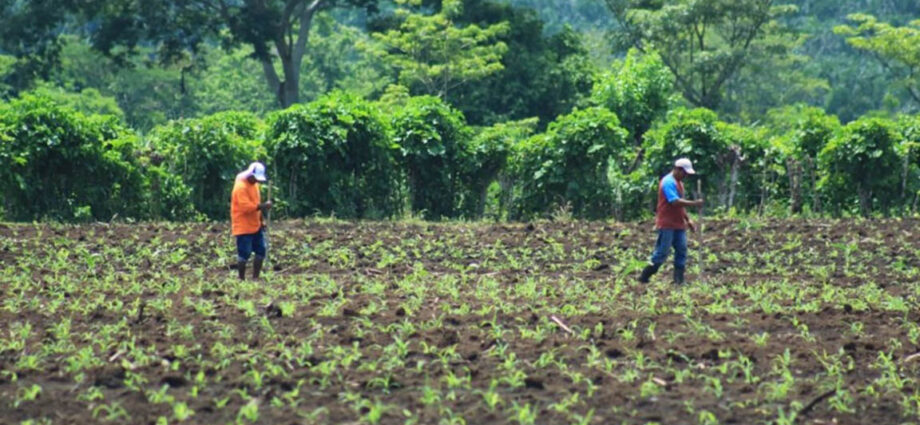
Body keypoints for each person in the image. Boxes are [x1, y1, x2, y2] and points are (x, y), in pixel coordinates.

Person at [638, 158, 704, 285]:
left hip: (678, 223)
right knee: (662, 251)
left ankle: (679, 280)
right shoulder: (668, 182)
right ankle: (644, 276)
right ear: (678, 169)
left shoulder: (679, 183)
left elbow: (680, 205)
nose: (685, 176)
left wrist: (688, 219)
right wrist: (695, 203)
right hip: (666, 223)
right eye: (684, 173)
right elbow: (674, 202)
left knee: (682, 249)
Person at [231, 161, 272, 280]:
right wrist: (263, 206)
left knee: (261, 251)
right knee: (244, 253)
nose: (257, 181)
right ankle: (241, 279)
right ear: (250, 174)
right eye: (255, 178)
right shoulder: (240, 187)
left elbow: (256, 204)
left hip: (256, 225)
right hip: (243, 226)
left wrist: (262, 220)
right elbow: (246, 207)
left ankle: (255, 278)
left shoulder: (255, 186)